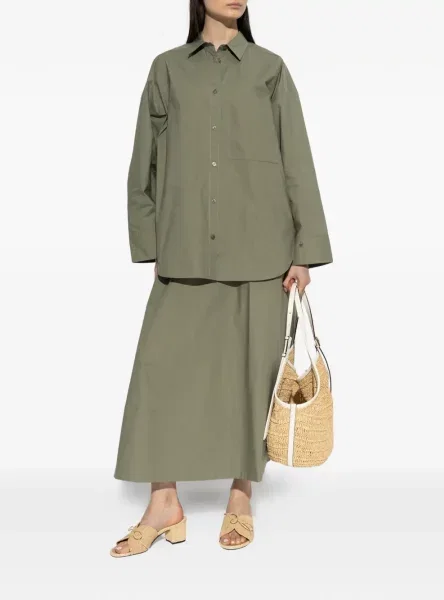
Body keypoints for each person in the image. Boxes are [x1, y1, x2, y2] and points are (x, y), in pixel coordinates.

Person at [111, 0, 332, 557]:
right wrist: (150, 241)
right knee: (160, 374)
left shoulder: (270, 69)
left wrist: (305, 251)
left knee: (250, 376)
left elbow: (297, 160)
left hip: (262, 249)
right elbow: (143, 162)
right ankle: (164, 504)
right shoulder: (167, 69)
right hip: (184, 247)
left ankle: (241, 496)